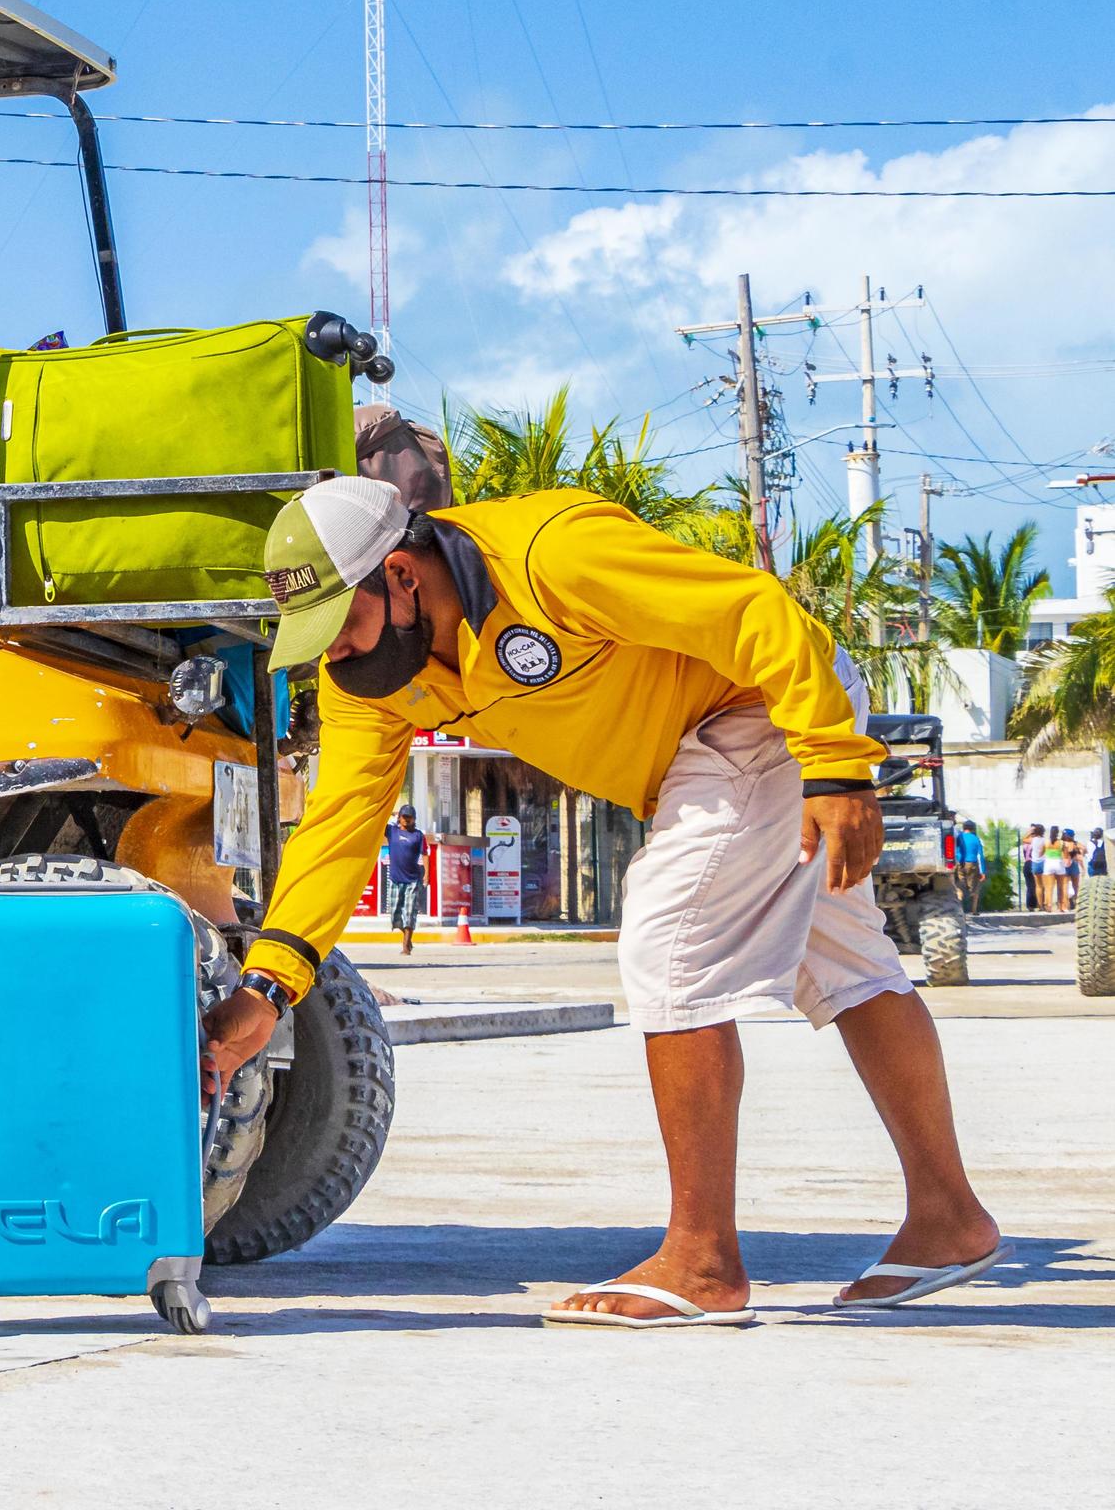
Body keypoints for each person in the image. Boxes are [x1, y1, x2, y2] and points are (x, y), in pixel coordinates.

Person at [209, 477, 1002, 1325]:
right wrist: (267, 990)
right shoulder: (374, 678)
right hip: (696, 751)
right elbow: (338, 828)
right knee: (847, 963)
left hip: (761, 702)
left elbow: (753, 612)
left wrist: (835, 764)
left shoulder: (553, 555)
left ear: (401, 574)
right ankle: (948, 1220)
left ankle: (703, 1262)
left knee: (669, 944)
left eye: (340, 625)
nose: (334, 655)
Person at [381, 803, 429, 954]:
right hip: (395, 879)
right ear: (399, 818)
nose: (407, 820)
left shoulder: (418, 835)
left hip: (412, 880)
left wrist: (426, 874)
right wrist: (393, 812)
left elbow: (425, 854)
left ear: (414, 819)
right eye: (404, 817)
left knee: (409, 913)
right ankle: (408, 937)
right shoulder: (392, 831)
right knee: (395, 915)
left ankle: (406, 945)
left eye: (410, 817)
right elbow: (381, 818)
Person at [951, 818, 985, 915]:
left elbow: (955, 850)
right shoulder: (976, 839)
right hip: (972, 864)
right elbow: (980, 855)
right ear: (973, 828)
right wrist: (982, 871)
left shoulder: (959, 837)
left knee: (960, 886)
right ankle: (974, 910)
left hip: (960, 863)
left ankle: (960, 910)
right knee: (975, 887)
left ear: (963, 828)